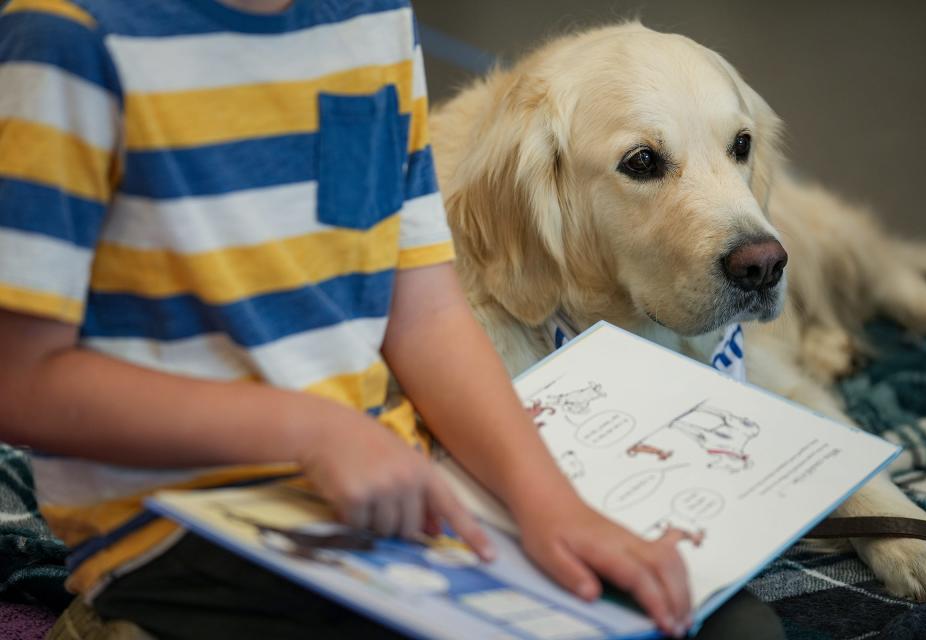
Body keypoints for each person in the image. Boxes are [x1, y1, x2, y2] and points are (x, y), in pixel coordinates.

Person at [0, 1, 783, 638]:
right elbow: (19, 382)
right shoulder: (69, 39)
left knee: (726, 628)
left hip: (400, 496)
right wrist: (311, 432)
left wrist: (551, 506)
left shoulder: (369, 21)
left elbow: (425, 312)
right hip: (185, 525)